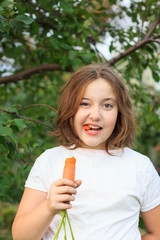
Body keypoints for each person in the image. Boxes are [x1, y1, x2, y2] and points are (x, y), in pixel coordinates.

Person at [12, 63, 160, 240]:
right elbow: (21, 236)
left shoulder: (139, 166)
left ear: (119, 112)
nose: (95, 115)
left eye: (107, 105)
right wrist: (49, 207)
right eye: (84, 103)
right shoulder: (49, 160)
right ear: (70, 109)